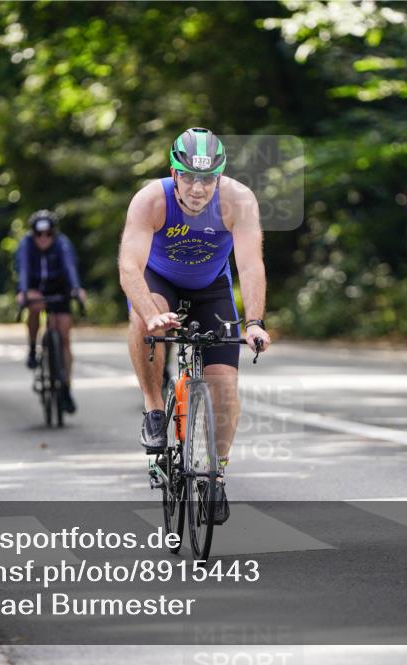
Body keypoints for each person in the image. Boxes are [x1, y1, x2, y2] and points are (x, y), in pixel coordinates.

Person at [118, 127, 271, 524]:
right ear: (173, 173)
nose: (198, 188)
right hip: (159, 281)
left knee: (224, 384)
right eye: (188, 176)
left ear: (220, 175)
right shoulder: (151, 200)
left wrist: (254, 322)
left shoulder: (238, 200)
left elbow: (250, 265)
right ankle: (154, 410)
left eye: (207, 178)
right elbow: (129, 266)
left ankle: (216, 473)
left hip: (211, 287)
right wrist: (151, 313)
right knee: (144, 321)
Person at [14, 209, 87, 413]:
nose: (44, 239)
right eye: (39, 234)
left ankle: (65, 386)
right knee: (34, 306)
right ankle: (31, 347)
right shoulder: (26, 245)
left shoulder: (62, 244)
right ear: (33, 233)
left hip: (59, 288)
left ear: (54, 233)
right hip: (35, 286)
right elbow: (24, 270)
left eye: (48, 234)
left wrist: (76, 288)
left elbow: (70, 267)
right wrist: (23, 291)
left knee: (64, 336)